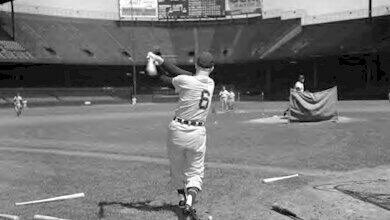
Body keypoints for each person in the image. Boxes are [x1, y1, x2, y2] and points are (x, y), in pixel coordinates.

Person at [146, 51, 215, 218]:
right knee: (196, 170)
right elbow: (186, 74)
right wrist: (160, 60)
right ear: (212, 68)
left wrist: (151, 62)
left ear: (196, 65)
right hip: (198, 132)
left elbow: (160, 78)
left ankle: (181, 197)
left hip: (178, 130)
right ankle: (189, 202)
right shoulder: (211, 83)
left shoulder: (185, 81)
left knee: (176, 167)